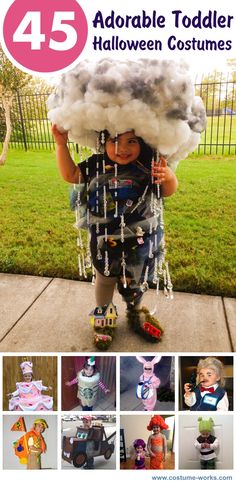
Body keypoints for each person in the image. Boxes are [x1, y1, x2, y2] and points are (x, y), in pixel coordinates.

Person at [52, 125, 178, 349]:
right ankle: (104, 316)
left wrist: (168, 177)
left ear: (143, 142)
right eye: (114, 141)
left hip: (139, 242)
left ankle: (136, 312)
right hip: (104, 240)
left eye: (132, 141)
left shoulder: (147, 165)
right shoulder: (96, 164)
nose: (122, 148)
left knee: (136, 281)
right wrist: (61, 144)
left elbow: (166, 191)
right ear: (102, 141)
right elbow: (70, 175)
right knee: (105, 278)